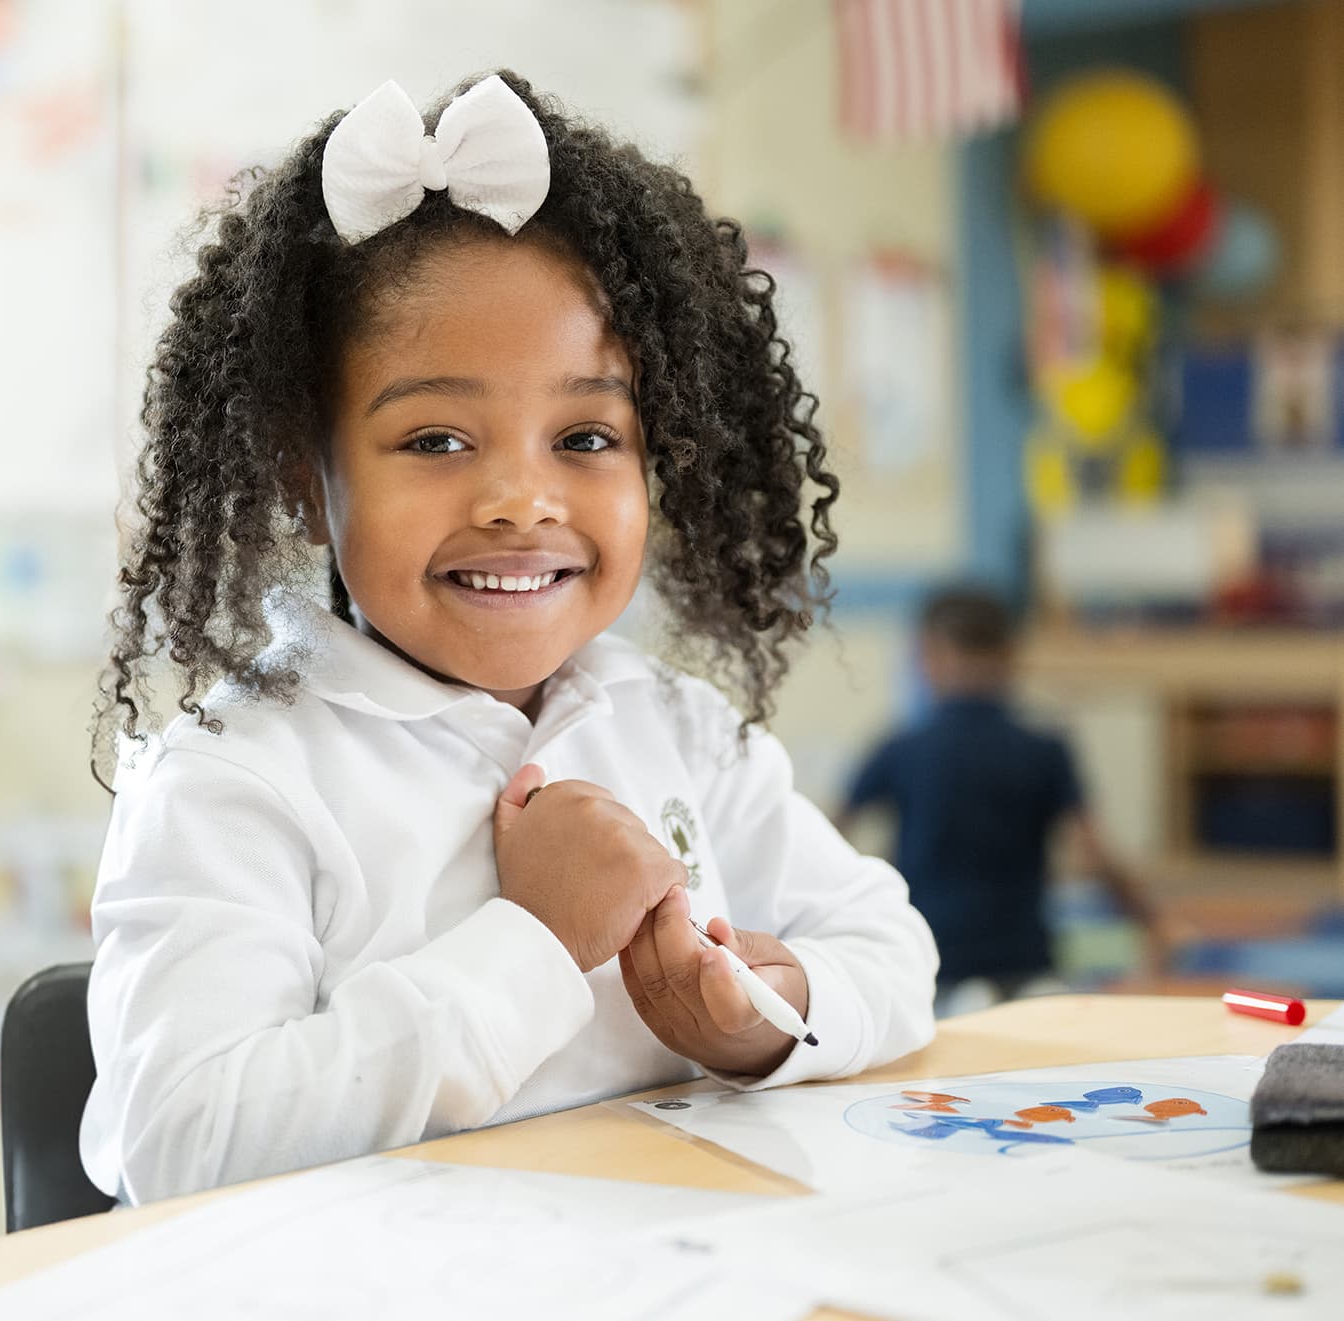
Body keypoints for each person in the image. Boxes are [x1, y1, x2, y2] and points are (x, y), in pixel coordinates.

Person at [80, 72, 936, 1206]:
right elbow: (180, 1140)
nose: (521, 501)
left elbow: (897, 954)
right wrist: (532, 940)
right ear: (305, 472)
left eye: (586, 434)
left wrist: (772, 1017)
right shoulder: (236, 779)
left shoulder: (673, 729)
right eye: (435, 439)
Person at [837, 585, 1173, 1017]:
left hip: (929, 964)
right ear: (1011, 654)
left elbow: (830, 838)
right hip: (1024, 963)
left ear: (929, 654)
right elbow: (1096, 857)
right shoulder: (1044, 748)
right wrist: (1152, 922)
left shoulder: (902, 747)